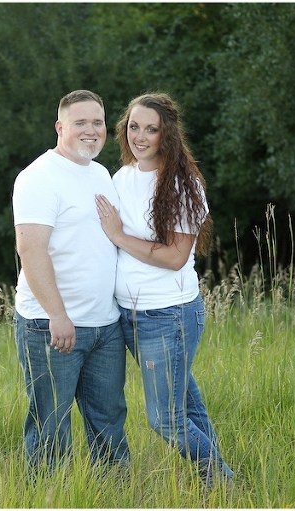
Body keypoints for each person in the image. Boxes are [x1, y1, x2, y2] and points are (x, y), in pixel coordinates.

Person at [95, 92, 234, 490]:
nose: (140, 136)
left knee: (165, 419)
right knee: (187, 404)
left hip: (167, 315)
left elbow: (175, 256)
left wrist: (119, 236)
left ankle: (223, 480)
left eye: (150, 129)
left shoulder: (182, 184)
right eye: (133, 127)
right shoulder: (122, 177)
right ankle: (216, 485)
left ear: (166, 135)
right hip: (128, 315)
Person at [12, 89, 130, 474]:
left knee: (110, 422)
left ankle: (114, 496)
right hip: (52, 326)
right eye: (80, 122)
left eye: (97, 122)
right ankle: (49, 497)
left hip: (105, 326)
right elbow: (30, 250)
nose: (91, 130)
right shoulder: (38, 177)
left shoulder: (101, 174)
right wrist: (57, 315)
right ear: (60, 127)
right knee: (51, 427)